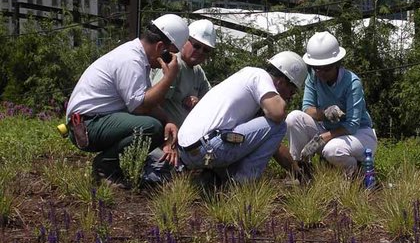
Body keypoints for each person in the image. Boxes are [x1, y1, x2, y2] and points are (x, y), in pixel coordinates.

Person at [65, 14, 189, 183]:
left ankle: (117, 165)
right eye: (170, 56)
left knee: (156, 125)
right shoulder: (131, 60)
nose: (170, 61)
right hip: (87, 125)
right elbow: (141, 107)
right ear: (161, 47)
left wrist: (168, 120)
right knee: (151, 127)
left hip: (94, 121)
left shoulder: (137, 57)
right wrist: (169, 77)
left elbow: (147, 102)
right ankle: (105, 167)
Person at [177, 51, 307, 183]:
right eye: (292, 91)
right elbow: (278, 114)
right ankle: (241, 183)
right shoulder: (260, 77)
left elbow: (274, 145)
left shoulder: (246, 76)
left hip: (187, 152)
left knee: (270, 128)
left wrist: (295, 170)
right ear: (280, 82)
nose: (290, 97)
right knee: (279, 125)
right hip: (208, 147)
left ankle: (217, 178)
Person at [285, 31, 377, 179]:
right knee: (294, 118)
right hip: (329, 131)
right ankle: (300, 169)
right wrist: (324, 113)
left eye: (326, 69)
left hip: (358, 133)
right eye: (317, 68)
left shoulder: (352, 83)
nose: (321, 73)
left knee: (333, 150)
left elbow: (352, 125)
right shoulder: (313, 78)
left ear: (336, 64)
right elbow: (306, 109)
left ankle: (354, 170)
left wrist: (321, 138)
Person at [143, 19, 216, 182]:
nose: (200, 52)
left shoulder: (198, 72)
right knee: (156, 174)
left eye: (206, 50)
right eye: (196, 45)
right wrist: (168, 142)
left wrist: (198, 103)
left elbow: (211, 104)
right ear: (185, 41)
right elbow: (153, 105)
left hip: (184, 142)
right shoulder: (174, 63)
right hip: (166, 141)